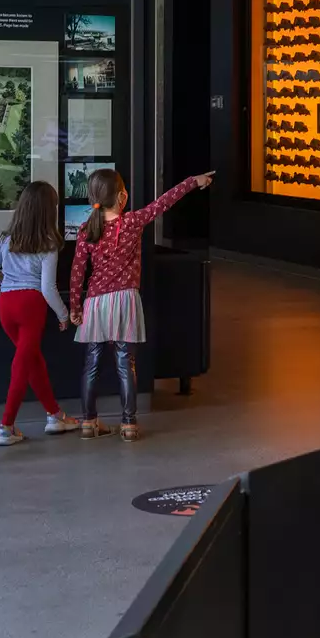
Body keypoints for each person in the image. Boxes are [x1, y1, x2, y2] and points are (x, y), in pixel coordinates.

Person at [69, 168, 213, 440]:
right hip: (125, 300)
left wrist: (75, 307)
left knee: (92, 363)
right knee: (126, 364)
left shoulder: (86, 230)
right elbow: (165, 201)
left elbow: (78, 272)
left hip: (96, 303)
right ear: (122, 197)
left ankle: (88, 422)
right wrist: (193, 181)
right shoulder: (133, 221)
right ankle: (129, 424)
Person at [0, 181, 79, 447]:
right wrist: (63, 314)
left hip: (6, 306)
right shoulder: (48, 243)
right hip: (31, 306)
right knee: (22, 365)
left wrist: (4, 280)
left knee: (32, 361)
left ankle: (55, 415)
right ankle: (6, 427)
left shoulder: (6, 239)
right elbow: (47, 287)